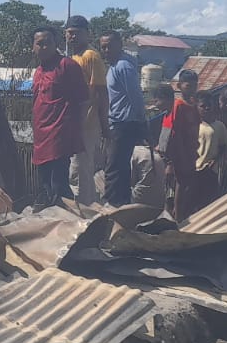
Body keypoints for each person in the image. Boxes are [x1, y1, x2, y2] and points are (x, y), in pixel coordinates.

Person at [30, 27, 88, 206]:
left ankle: (68, 223)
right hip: (41, 135)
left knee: (59, 184)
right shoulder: (38, 71)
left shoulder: (67, 66)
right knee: (45, 183)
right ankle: (47, 221)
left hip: (59, 133)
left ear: (56, 44)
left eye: (48, 43)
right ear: (33, 47)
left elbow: (83, 99)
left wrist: (76, 129)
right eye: (39, 44)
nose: (44, 47)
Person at [96, 31, 148, 205]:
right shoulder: (114, 66)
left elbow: (135, 95)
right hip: (117, 123)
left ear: (119, 45)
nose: (106, 50)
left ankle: (111, 205)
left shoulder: (123, 66)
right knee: (120, 167)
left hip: (123, 124)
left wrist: (142, 121)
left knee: (113, 168)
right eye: (103, 47)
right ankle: (122, 203)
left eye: (109, 46)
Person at [63, 14, 109, 205]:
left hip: (87, 122)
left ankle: (84, 212)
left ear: (86, 34)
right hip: (74, 121)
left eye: (76, 33)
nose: (72, 37)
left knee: (79, 170)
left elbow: (101, 92)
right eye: (69, 33)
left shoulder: (91, 56)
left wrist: (104, 123)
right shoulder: (72, 57)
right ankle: (86, 209)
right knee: (77, 170)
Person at [136, 83, 175, 211]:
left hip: (171, 164)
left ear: (165, 98)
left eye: (157, 100)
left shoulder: (175, 116)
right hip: (163, 160)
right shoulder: (166, 115)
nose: (156, 104)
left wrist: (170, 164)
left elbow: (175, 142)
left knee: (171, 197)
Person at [169, 68, 202, 219]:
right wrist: (179, 154)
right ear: (179, 86)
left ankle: (182, 212)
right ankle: (178, 216)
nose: (192, 89)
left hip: (192, 150)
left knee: (190, 183)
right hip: (182, 151)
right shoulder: (178, 106)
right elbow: (175, 132)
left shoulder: (194, 105)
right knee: (181, 184)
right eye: (188, 86)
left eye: (194, 86)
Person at [190, 93, 227, 212]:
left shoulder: (219, 126)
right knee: (193, 202)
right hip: (194, 169)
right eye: (203, 106)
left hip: (210, 170)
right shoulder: (194, 125)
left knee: (208, 204)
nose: (206, 109)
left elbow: (224, 145)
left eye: (209, 106)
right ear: (197, 108)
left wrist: (215, 160)